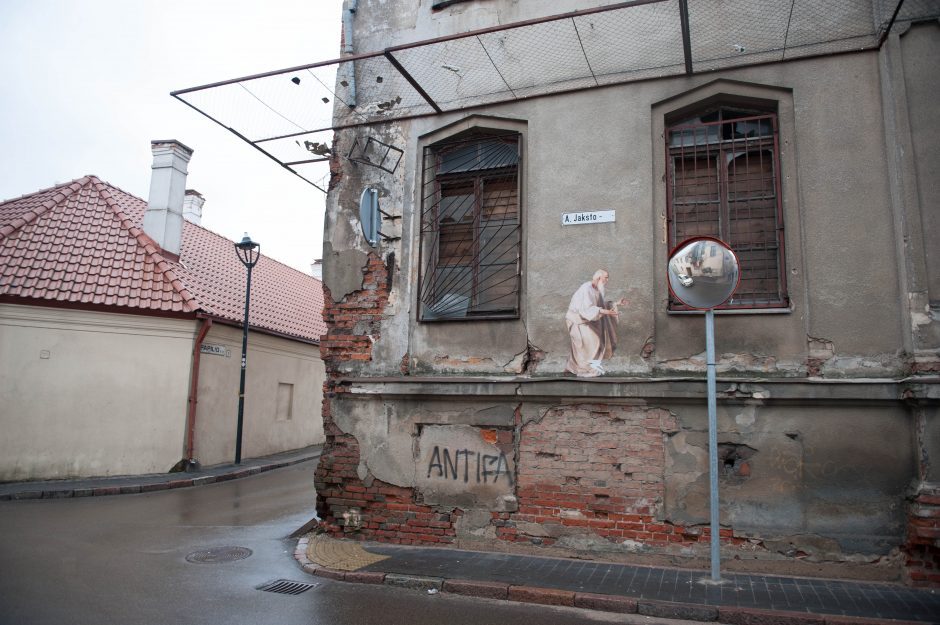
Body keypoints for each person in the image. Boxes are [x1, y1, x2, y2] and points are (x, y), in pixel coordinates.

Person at [565, 269, 628, 377]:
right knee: (593, 342)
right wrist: (604, 311)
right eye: (606, 277)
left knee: (596, 343)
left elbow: (601, 305)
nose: (607, 280)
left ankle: (582, 368)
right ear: (599, 278)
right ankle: (585, 370)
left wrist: (617, 303)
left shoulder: (597, 289)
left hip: (586, 320)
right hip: (577, 321)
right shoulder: (586, 288)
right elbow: (586, 310)